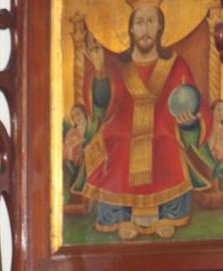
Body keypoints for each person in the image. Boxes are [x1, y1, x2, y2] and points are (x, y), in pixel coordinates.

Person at [78, 0, 211, 239]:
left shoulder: (176, 64)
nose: (145, 29)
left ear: (160, 26)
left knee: (166, 144)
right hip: (122, 131)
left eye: (151, 21)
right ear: (130, 28)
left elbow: (192, 103)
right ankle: (119, 215)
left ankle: (169, 213)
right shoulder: (117, 66)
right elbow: (102, 106)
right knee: (117, 142)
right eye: (139, 22)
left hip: (163, 130)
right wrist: (99, 70)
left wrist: (188, 122)